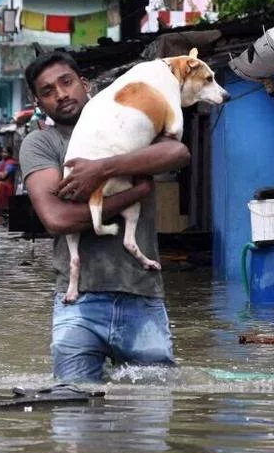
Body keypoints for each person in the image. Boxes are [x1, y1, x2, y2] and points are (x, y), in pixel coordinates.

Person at [18, 51, 191, 382]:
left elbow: (178, 152)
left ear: (85, 85)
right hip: (78, 304)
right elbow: (57, 219)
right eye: (48, 91)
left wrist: (101, 168)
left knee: (149, 421)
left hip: (143, 296)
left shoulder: (129, 122)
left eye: (66, 82)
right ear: (39, 103)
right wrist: (133, 194)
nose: (61, 94)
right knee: (74, 418)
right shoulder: (41, 144)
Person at [0, 146, 18, 213]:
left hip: (7, 189)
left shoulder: (11, 163)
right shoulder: (0, 163)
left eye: (5, 152)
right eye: (2, 152)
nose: (3, 154)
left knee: (6, 209)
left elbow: (3, 176)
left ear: (10, 154)